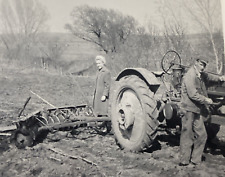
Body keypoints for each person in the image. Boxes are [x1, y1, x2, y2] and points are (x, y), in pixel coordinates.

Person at [179, 57, 225, 167]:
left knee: (202, 135)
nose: (202, 67)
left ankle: (195, 160)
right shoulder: (190, 75)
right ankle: (184, 162)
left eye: (204, 65)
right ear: (196, 63)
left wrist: (221, 78)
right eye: (201, 64)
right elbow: (192, 94)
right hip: (188, 109)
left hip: (196, 110)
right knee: (187, 135)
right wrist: (206, 100)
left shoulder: (202, 74)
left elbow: (210, 76)